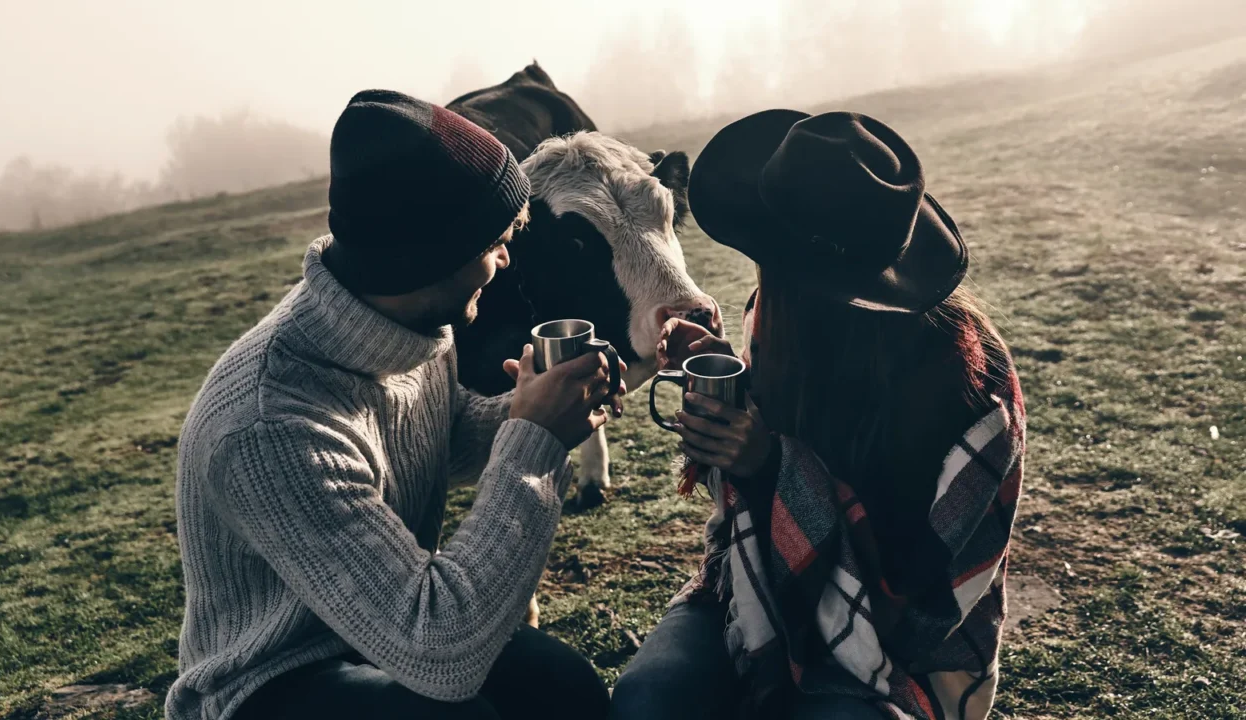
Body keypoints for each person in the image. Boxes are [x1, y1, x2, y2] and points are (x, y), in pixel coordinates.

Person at [165, 90, 621, 720]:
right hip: (273, 681)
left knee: (561, 685)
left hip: (376, 636)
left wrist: (535, 404)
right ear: (432, 257)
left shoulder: (406, 325)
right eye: (494, 242)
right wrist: (534, 437)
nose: (505, 258)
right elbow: (439, 649)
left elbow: (438, 435)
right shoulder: (269, 426)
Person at [610, 111, 1026, 720]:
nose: (762, 281)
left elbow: (916, 609)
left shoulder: (969, 392)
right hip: (752, 586)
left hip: (902, 652)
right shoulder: (776, 318)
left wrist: (773, 464)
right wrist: (728, 383)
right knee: (650, 698)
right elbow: (747, 515)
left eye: (774, 261)